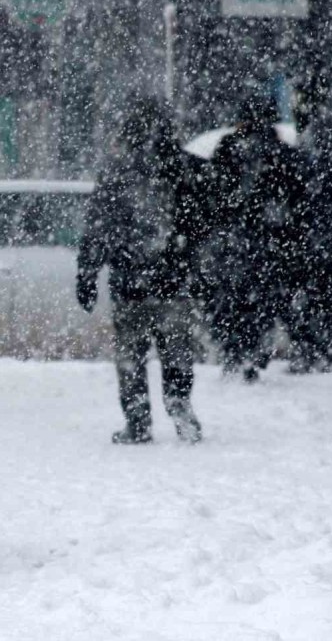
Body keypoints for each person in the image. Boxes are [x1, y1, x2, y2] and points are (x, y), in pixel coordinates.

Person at [76, 96, 206, 445]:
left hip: (130, 280)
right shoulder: (185, 169)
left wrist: (87, 273)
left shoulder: (117, 173)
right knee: (176, 352)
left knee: (131, 356)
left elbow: (97, 228)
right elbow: (204, 225)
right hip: (174, 280)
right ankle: (179, 405)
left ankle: (137, 421)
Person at [208, 94, 306, 383]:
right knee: (264, 300)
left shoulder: (228, 148)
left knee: (231, 299)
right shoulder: (283, 153)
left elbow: (212, 193)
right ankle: (254, 351)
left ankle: (232, 351)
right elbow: (299, 202)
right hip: (272, 241)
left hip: (234, 240)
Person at [289, 75, 332, 374]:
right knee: (322, 288)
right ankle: (321, 348)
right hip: (325, 224)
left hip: (318, 226)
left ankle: (316, 349)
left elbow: (315, 178)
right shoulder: (329, 126)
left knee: (316, 288)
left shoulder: (322, 128)